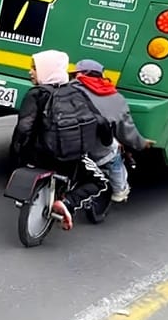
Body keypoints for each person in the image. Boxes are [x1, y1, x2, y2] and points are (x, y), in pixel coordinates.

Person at [10, 50, 108, 231]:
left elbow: (24, 128)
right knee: (100, 182)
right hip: (69, 158)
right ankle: (68, 202)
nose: (30, 72)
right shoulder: (76, 92)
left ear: (46, 70)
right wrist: (107, 140)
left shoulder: (36, 94)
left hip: (39, 155)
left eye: (34, 68)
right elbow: (99, 119)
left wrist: (18, 158)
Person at [71, 59, 154, 203]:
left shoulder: (64, 89)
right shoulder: (115, 97)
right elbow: (126, 131)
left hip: (60, 142)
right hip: (93, 149)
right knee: (114, 153)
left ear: (79, 75)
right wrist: (142, 143)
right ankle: (120, 191)